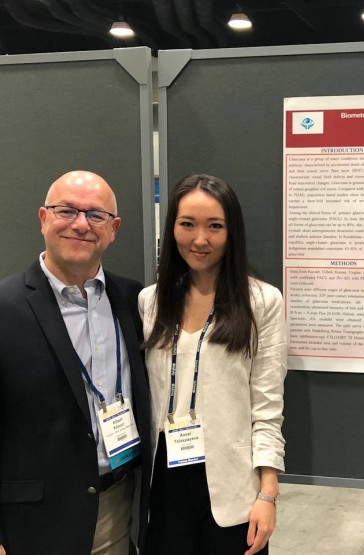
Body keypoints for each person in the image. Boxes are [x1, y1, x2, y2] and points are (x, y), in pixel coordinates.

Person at [0, 171, 152, 554]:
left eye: (96, 215)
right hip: (31, 523)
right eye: (66, 210)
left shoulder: (132, 300)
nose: (81, 224)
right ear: (43, 218)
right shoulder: (4, 306)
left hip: (117, 506)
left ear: (113, 229)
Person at [139, 174, 286, 555]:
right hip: (164, 477)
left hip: (230, 479)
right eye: (187, 224)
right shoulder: (150, 301)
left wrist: (268, 492)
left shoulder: (262, 302)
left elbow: (267, 405)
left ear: (231, 232)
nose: (200, 239)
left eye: (215, 226)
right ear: (172, 228)